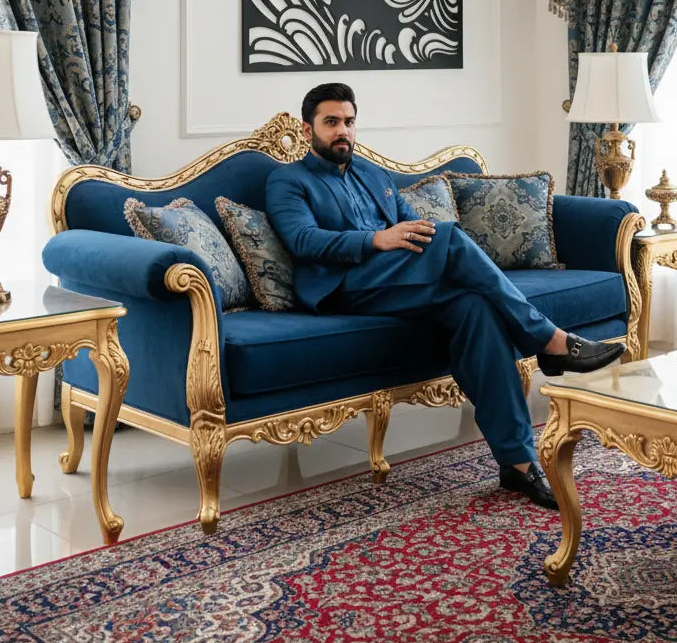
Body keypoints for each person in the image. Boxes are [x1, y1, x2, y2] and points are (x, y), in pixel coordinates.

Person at [265, 82, 625, 509]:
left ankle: (519, 463)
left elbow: (414, 228)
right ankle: (547, 339)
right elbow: (304, 240)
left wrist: (411, 239)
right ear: (309, 130)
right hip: (342, 287)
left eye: (348, 122)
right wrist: (376, 239)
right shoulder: (287, 180)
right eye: (331, 123)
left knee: (476, 309)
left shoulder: (372, 175)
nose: (342, 131)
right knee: (452, 239)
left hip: (397, 279)